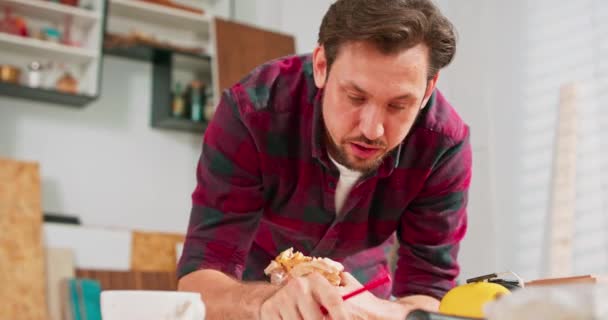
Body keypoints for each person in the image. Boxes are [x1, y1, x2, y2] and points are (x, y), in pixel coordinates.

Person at [177, 0, 471, 319]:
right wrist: (265, 303)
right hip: (249, 294)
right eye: (355, 97)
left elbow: (430, 291)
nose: (372, 130)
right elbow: (201, 281)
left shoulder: (443, 144)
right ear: (321, 66)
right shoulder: (252, 112)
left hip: (365, 301)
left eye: (399, 106)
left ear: (428, 90)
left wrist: (380, 312)